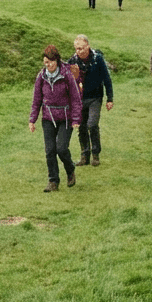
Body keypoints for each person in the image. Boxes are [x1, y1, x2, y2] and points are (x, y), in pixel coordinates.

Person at [29, 45, 82, 192]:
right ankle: (53, 181)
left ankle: (70, 169)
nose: (49, 65)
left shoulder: (67, 75)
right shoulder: (41, 77)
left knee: (61, 148)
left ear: (57, 60)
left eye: (51, 62)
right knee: (50, 150)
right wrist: (32, 120)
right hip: (48, 118)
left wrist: (76, 119)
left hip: (66, 118)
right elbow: (36, 100)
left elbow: (75, 98)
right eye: (46, 62)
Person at [66, 35, 113, 166]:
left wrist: (110, 99)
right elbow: (70, 83)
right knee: (81, 127)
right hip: (79, 99)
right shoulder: (73, 62)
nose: (78, 51)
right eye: (76, 48)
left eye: (81, 48)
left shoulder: (98, 59)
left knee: (92, 124)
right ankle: (84, 156)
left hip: (95, 98)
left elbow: (106, 78)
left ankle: (96, 154)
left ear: (87, 46)